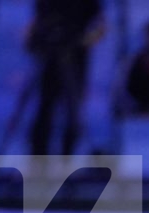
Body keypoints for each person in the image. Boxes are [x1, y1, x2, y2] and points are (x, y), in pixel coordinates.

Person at [26, 0, 103, 157]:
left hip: (75, 61)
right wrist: (37, 39)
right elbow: (38, 21)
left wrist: (80, 43)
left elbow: (100, 27)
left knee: (73, 112)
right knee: (45, 109)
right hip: (50, 59)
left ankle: (67, 161)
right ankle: (39, 161)